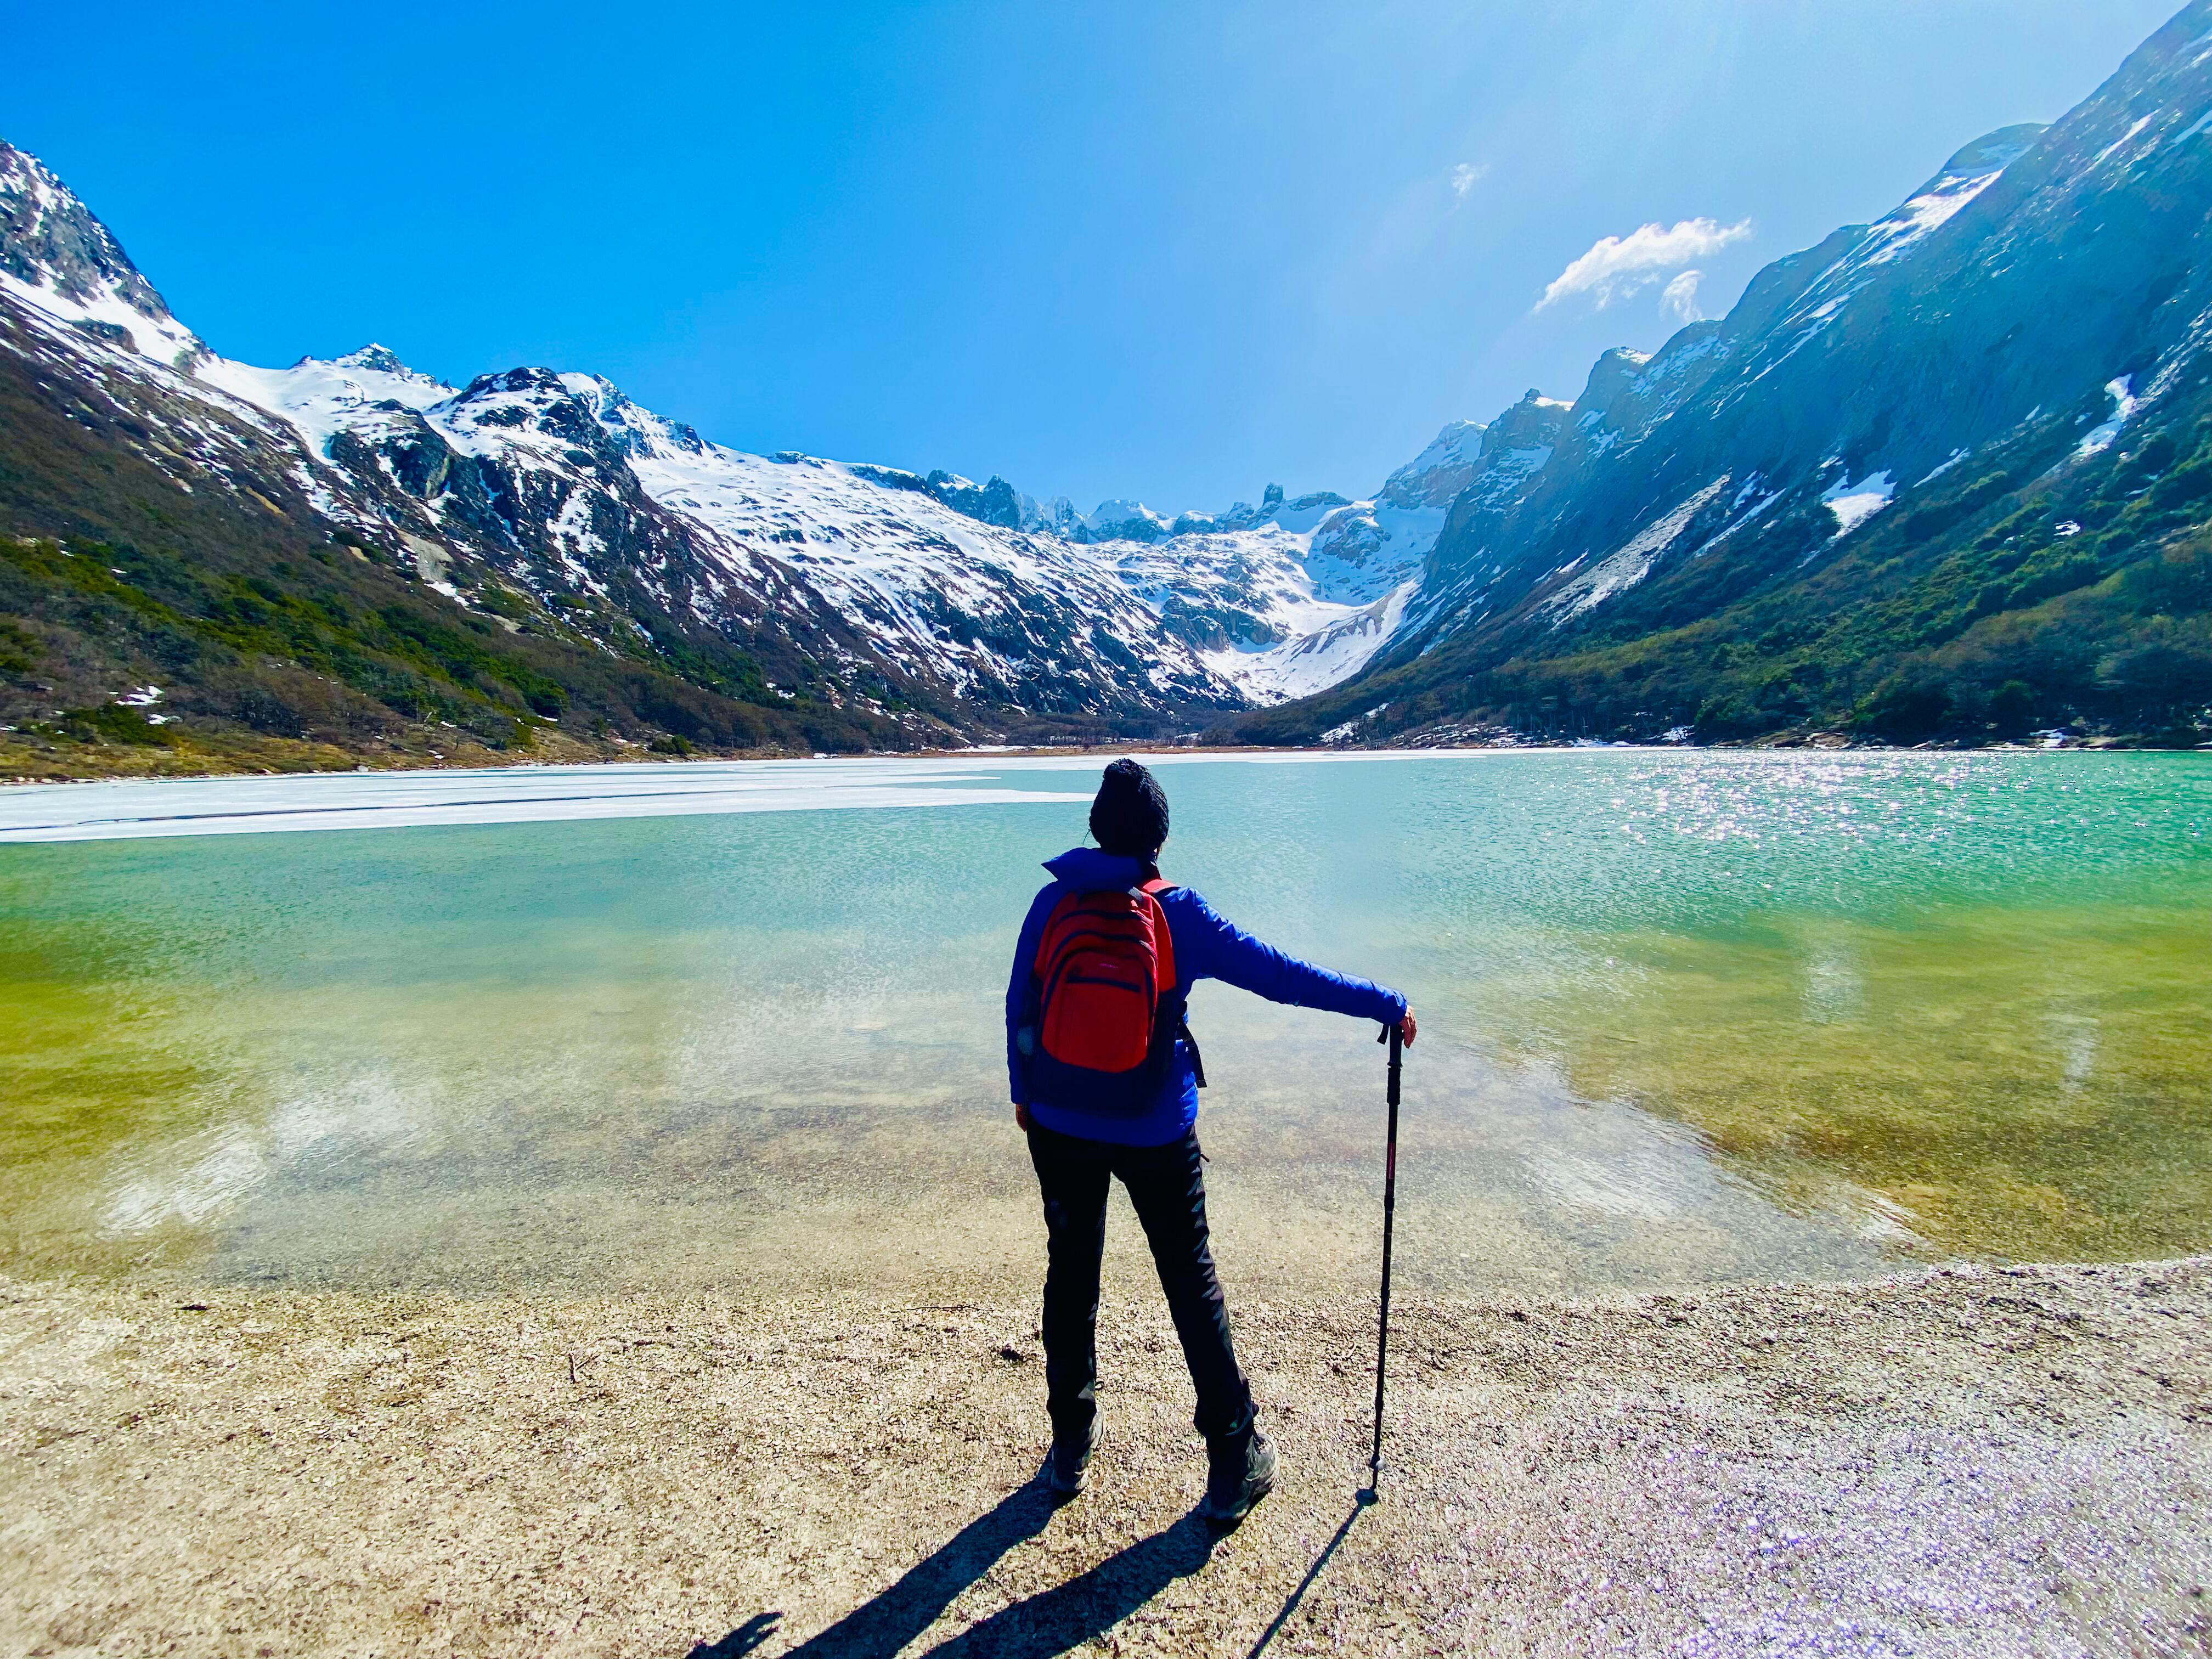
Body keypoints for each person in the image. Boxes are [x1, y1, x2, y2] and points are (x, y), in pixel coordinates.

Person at [1005, 758, 1417, 1526]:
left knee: (1071, 1277)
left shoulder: (1051, 901)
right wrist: (1384, 1005)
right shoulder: (1178, 912)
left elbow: (1019, 1007)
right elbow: (1280, 975)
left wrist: (1025, 1096)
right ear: (1160, 836)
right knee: (1190, 1285)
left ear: (1096, 831)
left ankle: (1070, 1448)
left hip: (1059, 1120)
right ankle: (1233, 1459)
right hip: (1155, 1127)